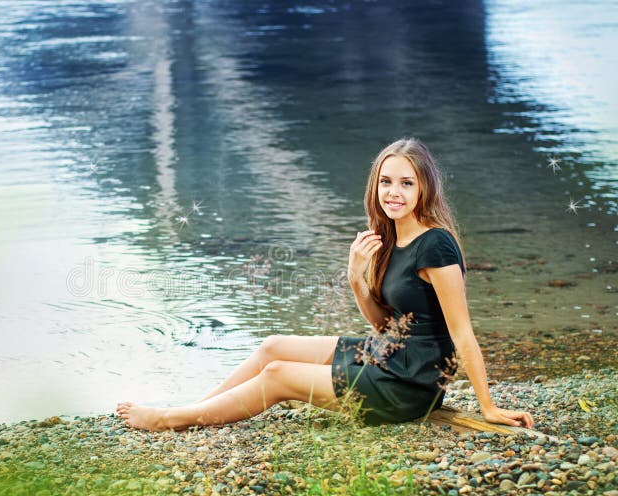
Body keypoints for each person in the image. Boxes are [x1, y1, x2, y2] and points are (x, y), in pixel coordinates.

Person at [116, 138, 534, 432]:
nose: (394, 192)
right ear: (376, 185)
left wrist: (488, 406)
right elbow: (384, 325)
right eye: (386, 181)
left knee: (278, 375)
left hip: (409, 385)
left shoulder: (436, 245)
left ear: (425, 186)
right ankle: (196, 407)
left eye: (407, 183)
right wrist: (356, 277)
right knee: (272, 347)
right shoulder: (390, 237)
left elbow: (462, 332)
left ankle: (174, 420)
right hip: (386, 353)